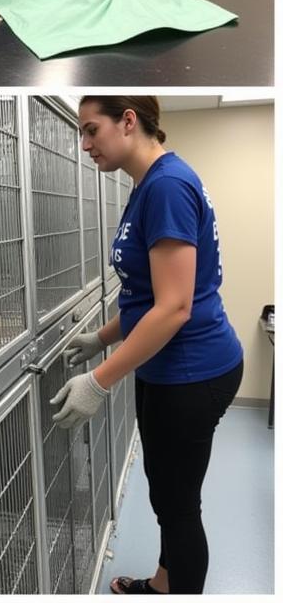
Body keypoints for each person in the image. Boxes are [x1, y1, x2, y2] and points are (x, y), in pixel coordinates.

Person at [49, 95, 243, 595]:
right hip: (167, 368)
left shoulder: (168, 187)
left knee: (179, 507)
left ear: (128, 121)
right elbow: (145, 294)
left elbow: (175, 307)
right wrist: (102, 337)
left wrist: (99, 380)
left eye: (92, 130)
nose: (85, 143)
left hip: (193, 370)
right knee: (166, 493)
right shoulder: (146, 185)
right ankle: (162, 582)